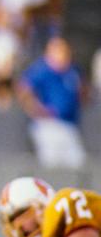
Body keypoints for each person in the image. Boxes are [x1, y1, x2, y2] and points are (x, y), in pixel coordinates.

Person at [16, 35, 87, 169]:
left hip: (70, 124)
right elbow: (24, 90)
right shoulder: (41, 70)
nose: (62, 54)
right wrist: (37, 109)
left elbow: (82, 91)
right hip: (48, 124)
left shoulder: (73, 70)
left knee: (78, 166)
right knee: (52, 167)